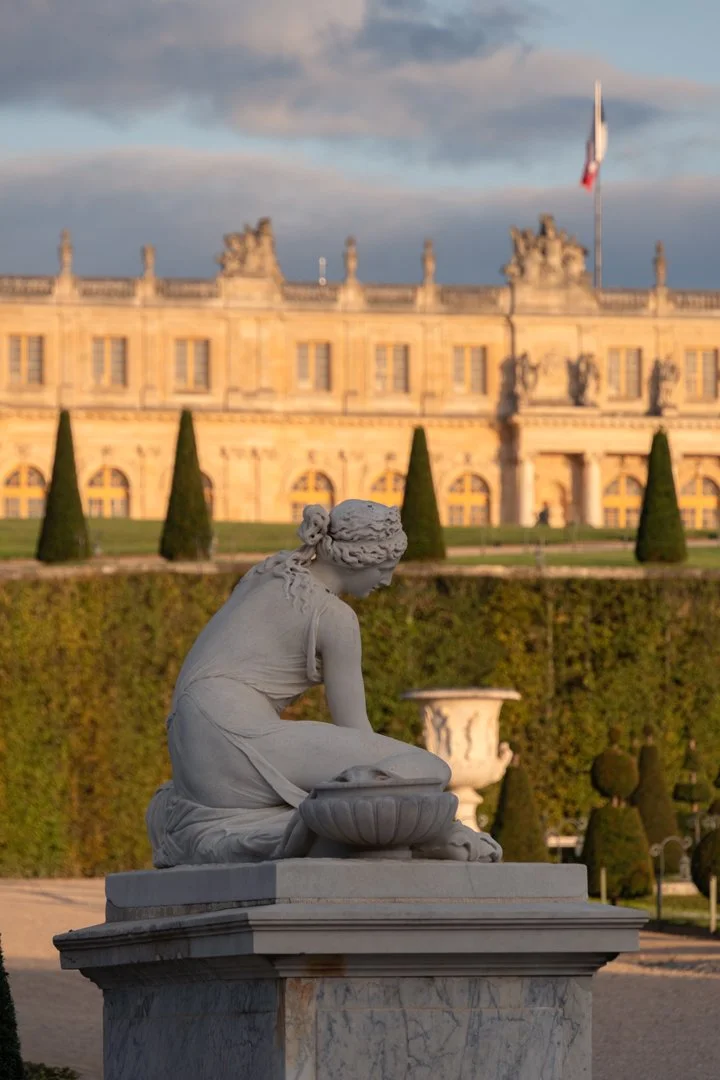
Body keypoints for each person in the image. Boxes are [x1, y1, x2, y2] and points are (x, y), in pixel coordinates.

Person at [147, 500, 501, 865]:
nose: (387, 580)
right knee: (429, 770)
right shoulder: (335, 618)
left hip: (192, 748)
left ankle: (379, 829)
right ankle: (431, 831)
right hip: (233, 737)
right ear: (360, 560)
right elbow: (356, 730)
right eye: (385, 567)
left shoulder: (271, 570)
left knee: (358, 801)